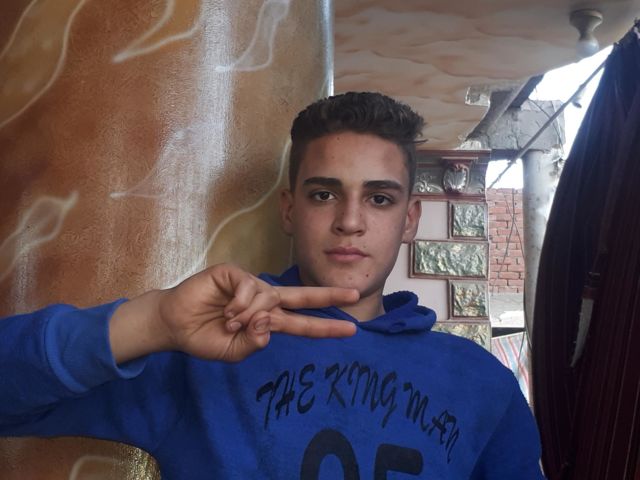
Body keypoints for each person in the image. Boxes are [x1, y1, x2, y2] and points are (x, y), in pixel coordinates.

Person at [0, 92, 544, 479]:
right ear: (289, 209)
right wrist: (152, 321)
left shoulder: (482, 384)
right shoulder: (207, 348)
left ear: (409, 219)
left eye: (379, 198)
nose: (350, 221)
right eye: (324, 194)